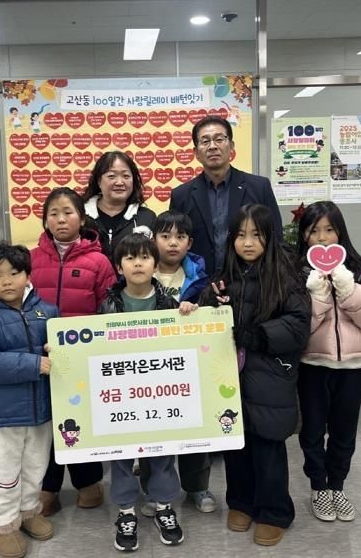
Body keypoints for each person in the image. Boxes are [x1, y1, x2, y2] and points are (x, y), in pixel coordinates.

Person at [201, 204, 310, 546]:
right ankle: (241, 503)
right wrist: (210, 301)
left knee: (268, 448)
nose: (247, 243)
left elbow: (298, 325)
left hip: (270, 376)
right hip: (229, 378)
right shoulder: (224, 275)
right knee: (236, 444)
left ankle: (275, 512)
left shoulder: (285, 275)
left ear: (269, 237)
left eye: (256, 235)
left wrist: (259, 335)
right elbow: (204, 317)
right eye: (240, 235)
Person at [295, 201, 361, 523]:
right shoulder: (294, 272)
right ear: (304, 235)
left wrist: (349, 290)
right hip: (312, 365)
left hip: (352, 367)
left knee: (344, 431)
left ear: (341, 232)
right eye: (314, 231)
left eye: (329, 229)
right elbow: (295, 327)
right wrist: (318, 298)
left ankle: (337, 485)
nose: (322, 238)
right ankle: (319, 487)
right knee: (312, 431)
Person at [99, 233, 197, 552]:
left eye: (144, 257)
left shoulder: (169, 304)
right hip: (121, 396)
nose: (138, 263)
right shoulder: (107, 305)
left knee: (163, 452)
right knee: (121, 455)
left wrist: (189, 314)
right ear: (119, 267)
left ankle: (164, 507)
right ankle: (126, 512)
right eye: (130, 258)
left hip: (160, 395)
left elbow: (185, 344)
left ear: (155, 265)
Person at [0, 242, 60, 558]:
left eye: (14, 273)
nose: (7, 281)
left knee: (36, 467)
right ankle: (3, 525)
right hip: (1, 414)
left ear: (28, 275)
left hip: (41, 410)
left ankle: (29, 511)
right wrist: (34, 363)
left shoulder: (47, 311)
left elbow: (62, 354)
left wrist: (59, 350)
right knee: (3, 473)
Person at [30, 187, 116, 516]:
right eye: (53, 213)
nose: (61, 219)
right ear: (45, 220)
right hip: (43, 356)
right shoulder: (31, 259)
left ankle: (88, 482)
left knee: (81, 418)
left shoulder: (99, 261)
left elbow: (109, 308)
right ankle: (48, 487)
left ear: (82, 217)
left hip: (84, 358)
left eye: (68, 212)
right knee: (47, 422)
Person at [136, 210, 213, 516]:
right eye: (165, 236)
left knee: (194, 426)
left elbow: (211, 315)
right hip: (149, 365)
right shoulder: (141, 269)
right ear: (154, 239)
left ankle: (197, 487)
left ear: (189, 242)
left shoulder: (200, 276)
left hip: (190, 363)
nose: (172, 243)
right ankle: (152, 489)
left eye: (180, 237)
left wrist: (198, 310)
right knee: (152, 428)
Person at [169, 116, 282, 276]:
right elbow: (175, 243)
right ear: (196, 153)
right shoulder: (181, 195)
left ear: (231, 146)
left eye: (219, 139)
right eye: (205, 141)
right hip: (199, 282)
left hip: (252, 281)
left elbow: (276, 237)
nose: (212, 146)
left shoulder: (259, 187)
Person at [82, 151, 156, 260]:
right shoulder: (81, 217)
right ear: (98, 181)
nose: (120, 182)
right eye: (111, 176)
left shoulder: (147, 218)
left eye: (126, 176)